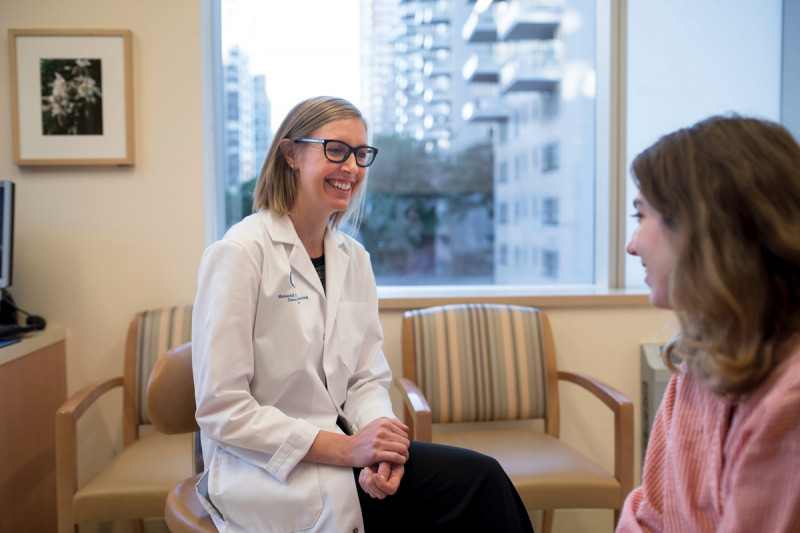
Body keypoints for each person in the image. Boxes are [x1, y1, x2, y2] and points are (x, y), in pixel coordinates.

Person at [192, 96, 534, 532]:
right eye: (335, 149)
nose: (351, 167)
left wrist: (381, 445)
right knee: (477, 486)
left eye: (360, 154)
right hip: (268, 469)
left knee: (481, 482)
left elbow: (366, 377)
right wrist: (348, 449)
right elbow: (223, 410)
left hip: (348, 455)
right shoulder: (240, 253)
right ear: (291, 153)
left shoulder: (354, 258)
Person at [618, 114, 800, 532]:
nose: (632, 245)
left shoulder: (788, 398)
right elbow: (649, 512)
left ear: (703, 230)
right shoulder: (697, 364)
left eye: (641, 216)